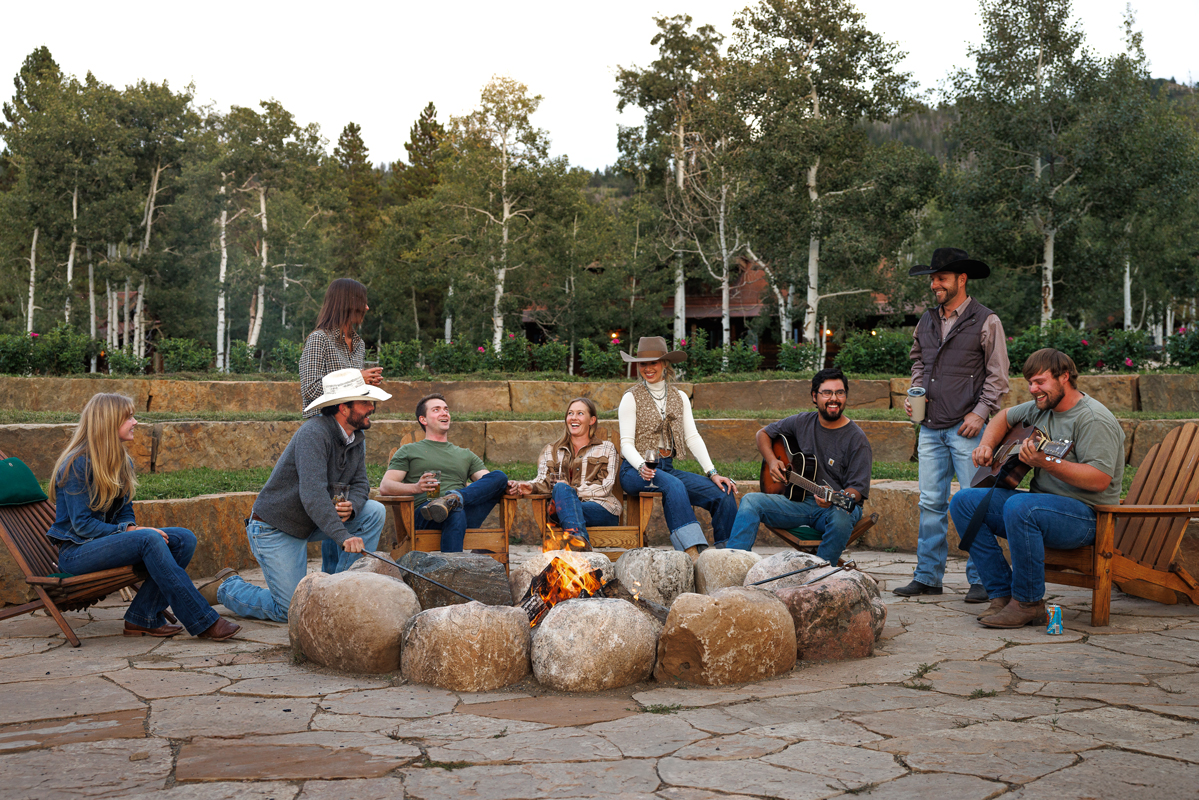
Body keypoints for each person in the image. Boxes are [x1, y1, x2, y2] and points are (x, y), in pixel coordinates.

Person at [949, 349, 1125, 628]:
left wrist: (1048, 463)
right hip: (1040, 509)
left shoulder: (1093, 419)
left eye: (1040, 382)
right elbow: (1003, 417)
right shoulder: (1040, 408)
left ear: (1064, 377)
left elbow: (1100, 479)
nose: (1033, 389)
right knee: (964, 502)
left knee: (1021, 506)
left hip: (1087, 518)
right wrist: (987, 444)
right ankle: (1002, 594)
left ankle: (1028, 602)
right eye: (1030, 382)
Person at [46, 393, 240, 641]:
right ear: (108, 422)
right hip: (76, 554)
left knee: (183, 539)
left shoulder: (120, 461)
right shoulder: (77, 465)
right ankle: (204, 621)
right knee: (149, 538)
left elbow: (125, 512)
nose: (136, 422)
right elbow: (82, 526)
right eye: (128, 417)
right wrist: (130, 533)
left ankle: (142, 616)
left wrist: (130, 529)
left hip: (103, 546)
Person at [209, 369, 390, 622]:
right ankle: (227, 588)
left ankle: (341, 593)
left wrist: (354, 507)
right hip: (275, 527)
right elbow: (312, 493)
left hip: (310, 522)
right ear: (343, 407)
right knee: (290, 610)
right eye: (365, 402)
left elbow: (361, 483)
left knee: (373, 511)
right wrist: (343, 536)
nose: (372, 408)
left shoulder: (356, 437)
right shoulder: (314, 433)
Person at [894, 247, 1009, 602]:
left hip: (966, 429)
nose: (934, 285)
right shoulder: (926, 320)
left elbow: (998, 376)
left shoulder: (987, 320)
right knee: (930, 503)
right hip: (929, 428)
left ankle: (982, 579)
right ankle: (928, 577)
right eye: (933, 278)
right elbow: (918, 361)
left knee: (974, 503)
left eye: (940, 278)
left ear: (961, 279)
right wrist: (916, 391)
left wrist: (980, 412)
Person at [724, 368, 872, 564]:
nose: (834, 398)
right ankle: (734, 566)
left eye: (840, 392)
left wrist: (835, 499)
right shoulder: (802, 421)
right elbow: (763, 434)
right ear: (814, 396)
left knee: (842, 517)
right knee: (751, 501)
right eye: (827, 392)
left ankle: (817, 574)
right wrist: (772, 461)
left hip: (834, 507)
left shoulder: (857, 439)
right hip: (798, 502)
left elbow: (857, 491)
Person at [617, 336, 737, 560]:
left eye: (654, 363)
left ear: (664, 364)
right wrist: (642, 465)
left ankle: (728, 556)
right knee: (673, 484)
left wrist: (712, 473)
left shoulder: (679, 397)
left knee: (723, 493)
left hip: (667, 468)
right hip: (634, 471)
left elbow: (692, 437)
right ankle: (692, 554)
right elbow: (626, 444)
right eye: (643, 364)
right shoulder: (630, 398)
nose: (648, 368)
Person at [300, 278, 385, 574]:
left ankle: (342, 578)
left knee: (343, 498)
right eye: (362, 301)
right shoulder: (319, 339)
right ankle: (331, 575)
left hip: (351, 430)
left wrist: (367, 389)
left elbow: (352, 390)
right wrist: (357, 377)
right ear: (348, 302)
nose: (366, 307)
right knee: (326, 497)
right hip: (323, 431)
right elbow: (310, 391)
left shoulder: (358, 343)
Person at [380, 394, 519, 551]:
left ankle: (453, 499)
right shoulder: (409, 450)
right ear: (423, 420)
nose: (444, 413)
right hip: (426, 515)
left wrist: (506, 486)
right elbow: (386, 486)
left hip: (466, 512)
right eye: (436, 409)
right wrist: (416, 488)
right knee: (454, 511)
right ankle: (453, 504)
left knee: (500, 476)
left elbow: (487, 482)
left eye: (446, 409)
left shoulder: (465, 454)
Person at [515, 397, 621, 547]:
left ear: (592, 420)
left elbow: (605, 486)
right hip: (562, 508)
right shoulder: (551, 450)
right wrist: (530, 487)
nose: (573, 418)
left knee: (563, 496)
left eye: (580, 413)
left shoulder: (606, 448)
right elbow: (542, 480)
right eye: (570, 413)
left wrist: (572, 492)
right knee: (560, 489)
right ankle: (578, 541)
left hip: (600, 508)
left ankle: (575, 541)